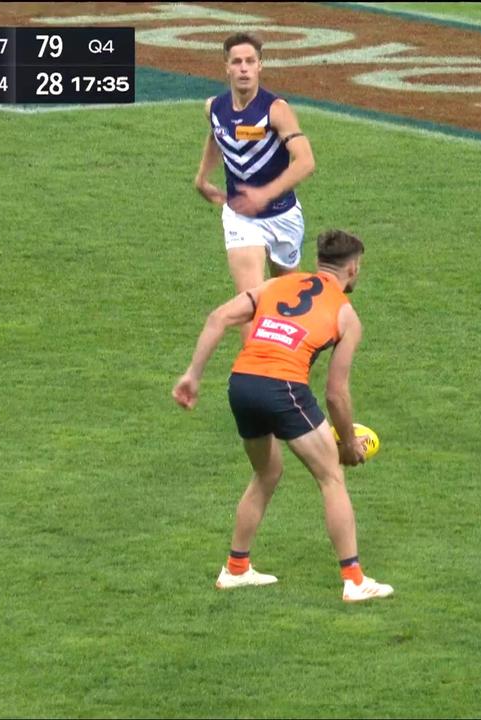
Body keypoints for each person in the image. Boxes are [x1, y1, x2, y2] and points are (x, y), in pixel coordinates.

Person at [171, 229, 393, 603]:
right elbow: (337, 395)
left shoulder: (279, 285)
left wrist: (193, 375)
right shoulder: (346, 314)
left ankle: (237, 569)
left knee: (267, 472)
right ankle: (354, 580)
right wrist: (349, 444)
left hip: (242, 384)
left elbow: (218, 317)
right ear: (352, 269)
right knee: (330, 477)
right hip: (283, 388)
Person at [194, 32, 317, 340]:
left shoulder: (276, 109)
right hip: (240, 216)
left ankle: (292, 358)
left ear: (261, 66)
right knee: (251, 302)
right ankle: (257, 373)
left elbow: (305, 161)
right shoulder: (214, 107)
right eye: (237, 62)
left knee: (288, 301)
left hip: (283, 217)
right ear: (226, 68)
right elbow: (217, 135)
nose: (244, 68)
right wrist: (202, 177)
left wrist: (264, 194)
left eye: (250, 61)